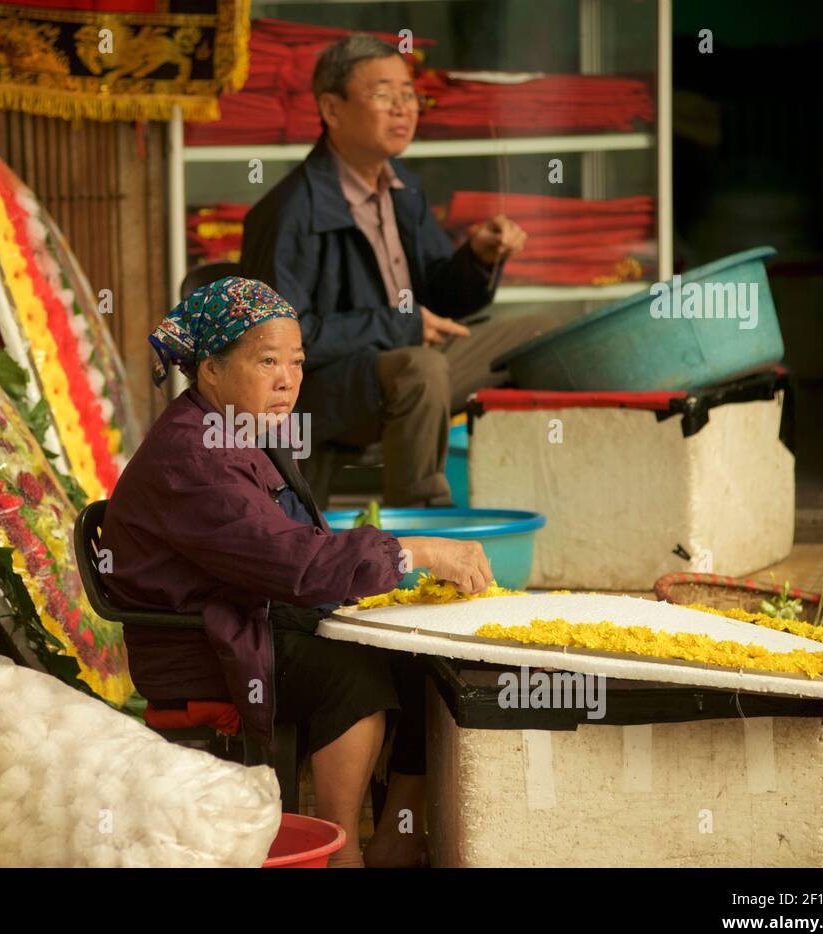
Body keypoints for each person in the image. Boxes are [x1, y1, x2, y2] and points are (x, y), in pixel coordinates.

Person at [99, 277, 492, 866]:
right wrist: (417, 551)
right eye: (267, 362)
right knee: (351, 672)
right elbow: (294, 564)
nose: (288, 379)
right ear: (210, 370)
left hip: (253, 617)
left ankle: (397, 839)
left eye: (297, 362)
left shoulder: (244, 429)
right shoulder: (194, 456)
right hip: (207, 645)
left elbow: (298, 549)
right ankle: (340, 850)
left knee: (423, 662)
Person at [241, 33, 559, 507]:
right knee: (421, 368)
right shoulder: (289, 212)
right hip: (325, 391)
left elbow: (438, 296)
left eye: (409, 94)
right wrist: (399, 325)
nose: (403, 108)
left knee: (541, 335)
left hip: (404, 361)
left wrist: (477, 258)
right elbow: (279, 340)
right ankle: (418, 533)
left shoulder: (402, 186)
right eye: (383, 95)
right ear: (331, 109)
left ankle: (537, 495)